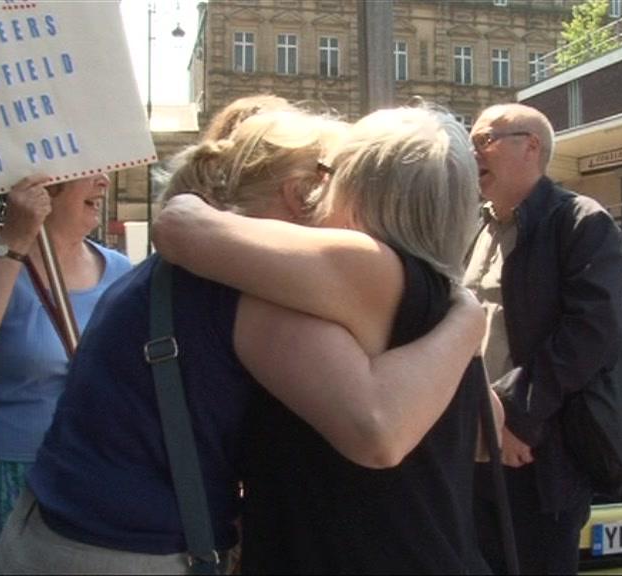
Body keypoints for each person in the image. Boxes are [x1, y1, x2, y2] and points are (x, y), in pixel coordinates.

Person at [0, 107, 487, 574]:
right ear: (301, 192)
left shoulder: (177, 273)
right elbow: (383, 429)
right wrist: (467, 318)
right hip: (120, 552)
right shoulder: (254, 285)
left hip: (59, 528)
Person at [152, 104, 492, 573]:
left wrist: (195, 198)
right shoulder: (441, 299)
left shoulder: (359, 267)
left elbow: (179, 228)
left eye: (328, 172)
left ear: (355, 185)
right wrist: (468, 318)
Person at [464, 103, 622, 574]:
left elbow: (591, 335)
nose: (473, 153)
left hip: (535, 453)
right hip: (472, 447)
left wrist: (515, 418)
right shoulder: (473, 225)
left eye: (484, 141)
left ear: (530, 146)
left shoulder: (581, 222)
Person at [0, 173, 132, 575]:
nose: (104, 182)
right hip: (17, 470)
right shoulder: (0, 260)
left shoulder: (119, 271)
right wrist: (16, 239)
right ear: (49, 187)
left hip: (97, 466)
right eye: (90, 171)